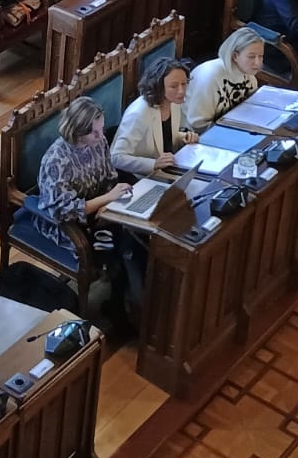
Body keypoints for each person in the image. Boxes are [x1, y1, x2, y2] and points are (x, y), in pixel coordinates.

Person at [36, 97, 145, 328]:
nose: (100, 136)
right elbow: (63, 210)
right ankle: (120, 309)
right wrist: (106, 199)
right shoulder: (56, 160)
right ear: (76, 132)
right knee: (118, 249)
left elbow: (109, 178)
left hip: (98, 210)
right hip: (66, 223)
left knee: (134, 237)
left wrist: (107, 202)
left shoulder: (99, 141)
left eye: (101, 129)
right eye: (94, 132)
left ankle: (127, 301)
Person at [112, 57, 197, 176]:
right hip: (142, 176)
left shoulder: (173, 101)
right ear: (159, 87)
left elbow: (164, 136)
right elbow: (116, 157)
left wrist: (183, 137)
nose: (181, 91)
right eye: (174, 86)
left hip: (168, 168)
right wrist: (154, 164)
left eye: (184, 84)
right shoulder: (139, 113)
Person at [185, 27, 266, 131]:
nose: (258, 63)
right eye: (251, 57)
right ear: (235, 56)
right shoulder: (209, 78)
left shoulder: (248, 74)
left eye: (261, 56)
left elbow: (250, 110)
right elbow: (198, 125)